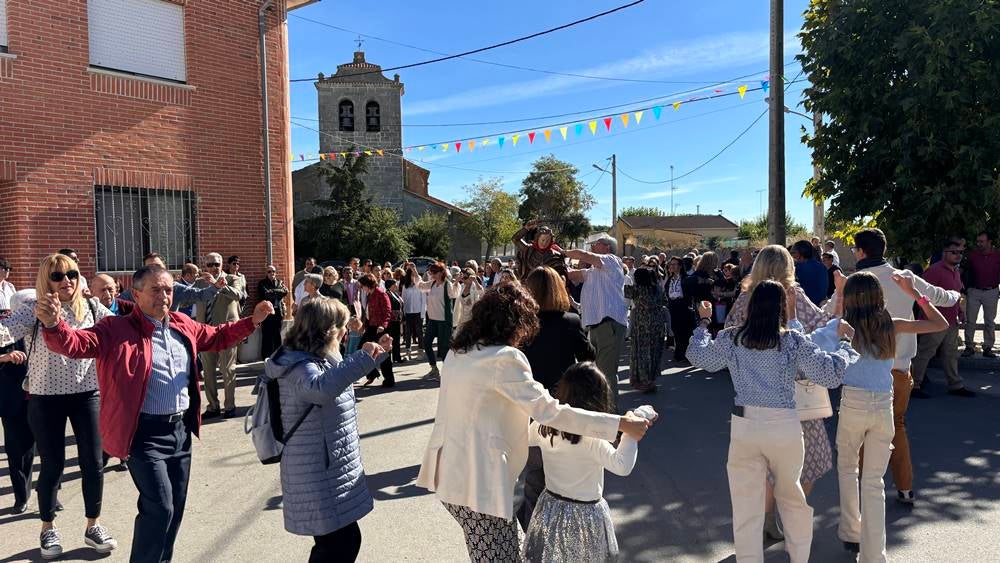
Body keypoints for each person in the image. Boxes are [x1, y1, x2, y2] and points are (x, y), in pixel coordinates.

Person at [39, 264, 272, 563]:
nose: (164, 296)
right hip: (143, 435)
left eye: (168, 290)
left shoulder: (182, 324)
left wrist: (252, 321)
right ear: (136, 294)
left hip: (179, 433)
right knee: (160, 507)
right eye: (155, 290)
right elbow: (77, 343)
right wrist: (53, 325)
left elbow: (215, 336)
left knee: (174, 508)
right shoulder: (116, 329)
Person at [415, 282, 653, 561]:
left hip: (453, 475)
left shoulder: (460, 351)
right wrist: (618, 424)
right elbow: (550, 411)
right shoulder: (505, 358)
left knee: (504, 551)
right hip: (478, 483)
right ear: (515, 323)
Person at [688, 280, 857, 563]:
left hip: (745, 425)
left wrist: (704, 322)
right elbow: (829, 374)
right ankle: (799, 557)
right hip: (784, 426)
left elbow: (699, 356)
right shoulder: (791, 341)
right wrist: (846, 345)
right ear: (780, 307)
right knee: (793, 499)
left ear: (752, 306)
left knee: (745, 505)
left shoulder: (733, 338)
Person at [0, 254, 116, 558]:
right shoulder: (32, 310)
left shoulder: (91, 308)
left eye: (73, 274)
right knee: (53, 465)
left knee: (93, 462)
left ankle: (94, 525)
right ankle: (47, 528)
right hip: (44, 397)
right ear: (45, 280)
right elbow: (4, 332)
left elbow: (120, 331)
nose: (67, 280)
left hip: (87, 394)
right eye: (58, 275)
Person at [829, 271, 948, 561]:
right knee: (874, 482)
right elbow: (939, 323)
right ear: (879, 297)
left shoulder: (842, 328)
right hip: (883, 406)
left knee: (847, 468)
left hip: (854, 403)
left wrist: (839, 293)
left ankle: (850, 531)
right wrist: (913, 294)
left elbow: (817, 332)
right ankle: (874, 555)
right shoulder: (892, 325)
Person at [262, 297, 389, 563]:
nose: (346, 332)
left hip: (326, 467)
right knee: (338, 545)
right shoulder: (298, 364)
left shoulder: (314, 357)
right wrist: (363, 359)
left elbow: (335, 378)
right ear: (328, 329)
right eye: (342, 326)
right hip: (316, 469)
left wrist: (373, 357)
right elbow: (319, 389)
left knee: (340, 543)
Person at [725, 244, 837, 538]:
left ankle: (768, 517)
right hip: (796, 392)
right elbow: (821, 325)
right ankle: (791, 514)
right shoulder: (794, 296)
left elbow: (729, 333)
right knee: (810, 458)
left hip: (754, 393)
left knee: (763, 462)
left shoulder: (747, 297)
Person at [851, 227, 960, 505]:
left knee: (864, 431)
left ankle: (865, 491)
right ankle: (906, 488)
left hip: (865, 371)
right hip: (900, 369)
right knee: (897, 426)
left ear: (861, 251)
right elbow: (942, 298)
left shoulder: (857, 282)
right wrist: (956, 296)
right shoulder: (905, 278)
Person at [522, 363, 653, 562]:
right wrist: (631, 432)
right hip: (586, 515)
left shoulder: (544, 426)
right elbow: (623, 465)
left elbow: (524, 437)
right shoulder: (592, 440)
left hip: (550, 507)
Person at [517, 266, 596, 529]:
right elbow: (589, 357)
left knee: (533, 474)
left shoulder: (521, 324)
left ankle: (531, 531)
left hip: (525, 404)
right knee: (559, 472)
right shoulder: (570, 321)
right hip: (560, 405)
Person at [565, 235, 628, 412]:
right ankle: (605, 414)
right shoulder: (592, 272)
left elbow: (584, 255)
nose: (593, 246)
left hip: (609, 325)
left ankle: (611, 419)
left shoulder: (612, 261)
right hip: (597, 327)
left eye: (597, 243)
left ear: (607, 247)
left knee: (605, 374)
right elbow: (570, 274)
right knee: (599, 373)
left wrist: (562, 252)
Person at [909, 238, 976, 398]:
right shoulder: (934, 270)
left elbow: (957, 295)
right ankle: (913, 385)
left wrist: (960, 311)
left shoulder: (956, 272)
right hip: (934, 321)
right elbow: (921, 295)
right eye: (954, 252)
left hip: (951, 321)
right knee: (926, 352)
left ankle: (955, 385)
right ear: (944, 253)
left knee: (951, 353)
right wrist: (926, 319)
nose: (958, 255)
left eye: (960, 252)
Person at [198, 253, 248, 419]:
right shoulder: (200, 282)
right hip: (205, 332)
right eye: (210, 264)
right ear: (205, 266)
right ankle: (213, 406)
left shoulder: (233, 279)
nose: (213, 268)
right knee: (208, 371)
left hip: (226, 331)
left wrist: (219, 286)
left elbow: (239, 295)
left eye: (216, 264)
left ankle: (230, 406)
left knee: (228, 370)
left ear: (221, 265)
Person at [0, 289, 35, 515]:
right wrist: (4, 357)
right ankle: (21, 496)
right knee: (15, 449)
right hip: (10, 397)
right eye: (29, 305)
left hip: (39, 396)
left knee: (38, 448)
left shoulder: (43, 326)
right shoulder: (4, 326)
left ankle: (46, 493)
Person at [625, 267, 667, 392]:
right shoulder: (657, 289)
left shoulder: (636, 289)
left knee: (642, 353)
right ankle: (651, 380)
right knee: (654, 352)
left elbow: (619, 289)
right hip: (657, 324)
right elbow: (665, 301)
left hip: (642, 325)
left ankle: (644, 381)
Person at [417, 262, 459, 379]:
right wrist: (415, 272)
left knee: (444, 348)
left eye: (434, 272)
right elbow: (420, 286)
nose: (432, 275)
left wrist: (456, 283)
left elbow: (455, 294)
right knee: (426, 343)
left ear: (441, 273)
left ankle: (449, 373)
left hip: (444, 321)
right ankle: (434, 369)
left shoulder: (447, 285)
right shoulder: (432, 284)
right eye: (431, 272)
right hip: (433, 320)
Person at [963, 231, 1000, 357]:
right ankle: (969, 346)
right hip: (974, 291)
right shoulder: (973, 255)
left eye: (982, 241)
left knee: (989, 321)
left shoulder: (997, 254)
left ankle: (988, 347)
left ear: (989, 242)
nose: (979, 244)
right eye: (977, 241)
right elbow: (965, 271)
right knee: (970, 320)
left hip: (992, 291)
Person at [358, 274, 394, 388]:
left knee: (383, 354)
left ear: (368, 285)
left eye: (363, 285)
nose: (362, 288)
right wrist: (364, 325)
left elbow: (388, 312)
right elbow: (368, 313)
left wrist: (383, 325)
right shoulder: (370, 295)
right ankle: (372, 373)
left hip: (380, 328)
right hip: (372, 327)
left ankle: (389, 380)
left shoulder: (381, 294)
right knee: (361, 350)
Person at [665, 257, 693, 364]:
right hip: (673, 306)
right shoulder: (670, 280)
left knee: (685, 331)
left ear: (680, 266)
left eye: (675, 264)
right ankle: (679, 353)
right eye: (671, 264)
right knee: (675, 329)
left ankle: (686, 355)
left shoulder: (686, 279)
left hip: (683, 307)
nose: (672, 266)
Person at [257, 265, 288, 360]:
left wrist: (273, 292)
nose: (272, 273)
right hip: (267, 313)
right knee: (267, 335)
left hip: (278, 312)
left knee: (277, 335)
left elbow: (285, 291)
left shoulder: (280, 282)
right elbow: (266, 293)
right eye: (269, 271)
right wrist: (278, 293)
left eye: (273, 271)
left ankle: (277, 356)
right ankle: (266, 356)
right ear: (266, 273)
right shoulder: (262, 283)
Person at [791, 240, 829, 306]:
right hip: (816, 307)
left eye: (794, 252)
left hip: (799, 306)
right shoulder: (821, 267)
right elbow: (823, 292)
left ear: (801, 252)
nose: (792, 255)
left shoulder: (795, 268)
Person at [400, 266, 425, 361]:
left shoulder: (420, 285)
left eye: (415, 274)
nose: (413, 276)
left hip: (418, 312)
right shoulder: (405, 286)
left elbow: (423, 300)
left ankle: (421, 350)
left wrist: (423, 314)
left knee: (419, 331)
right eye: (411, 275)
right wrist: (404, 313)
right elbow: (403, 300)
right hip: (408, 312)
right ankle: (407, 350)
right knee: (408, 332)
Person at [385, 279, 404, 363]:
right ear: (391, 285)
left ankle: (397, 357)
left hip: (397, 320)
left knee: (396, 339)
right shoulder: (387, 294)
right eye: (395, 284)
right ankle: (388, 358)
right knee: (391, 339)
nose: (396, 286)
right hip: (391, 321)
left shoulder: (395, 293)